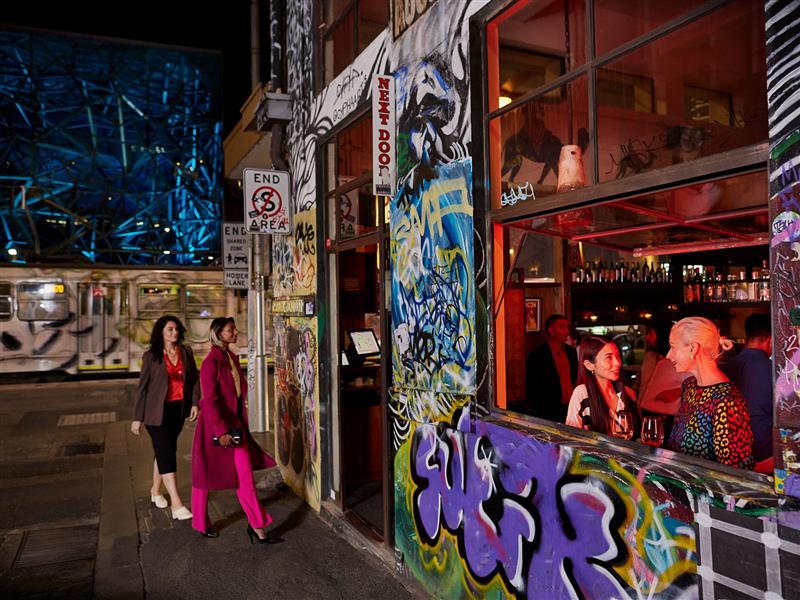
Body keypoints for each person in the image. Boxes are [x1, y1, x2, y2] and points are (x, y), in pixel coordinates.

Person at [191, 317, 279, 542]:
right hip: (214, 428)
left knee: (245, 479)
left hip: (235, 427)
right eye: (231, 330)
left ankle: (258, 527)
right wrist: (220, 432)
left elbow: (237, 392)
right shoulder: (211, 362)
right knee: (204, 478)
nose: (236, 332)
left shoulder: (230, 357)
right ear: (219, 333)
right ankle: (200, 522)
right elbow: (209, 401)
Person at [131, 315, 199, 520]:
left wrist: (195, 403)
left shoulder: (185, 352)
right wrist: (137, 418)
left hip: (177, 410)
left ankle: (155, 490)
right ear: (161, 331)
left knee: (164, 450)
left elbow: (194, 380)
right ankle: (177, 504)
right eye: (170, 329)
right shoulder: (151, 356)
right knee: (167, 453)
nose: (174, 333)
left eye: (176, 329)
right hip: (155, 414)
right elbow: (142, 388)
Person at [666, 317, 754, 469]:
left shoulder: (727, 401)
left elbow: (737, 474)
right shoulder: (689, 387)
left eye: (673, 347)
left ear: (693, 348)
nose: (668, 355)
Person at [720, 313, 773, 463]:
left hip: (732, 450)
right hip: (766, 452)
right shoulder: (775, 370)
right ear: (771, 339)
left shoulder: (725, 368)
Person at [565, 336, 638, 435]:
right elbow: (571, 438)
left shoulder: (629, 394)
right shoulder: (582, 394)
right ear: (589, 365)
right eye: (609, 357)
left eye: (618, 356)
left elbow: (638, 438)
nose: (617, 363)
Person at [525, 314, 578, 422]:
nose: (567, 331)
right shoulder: (537, 356)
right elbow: (533, 388)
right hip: (548, 411)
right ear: (551, 331)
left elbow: (575, 378)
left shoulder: (571, 352)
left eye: (567, 327)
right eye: (562, 327)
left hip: (571, 407)